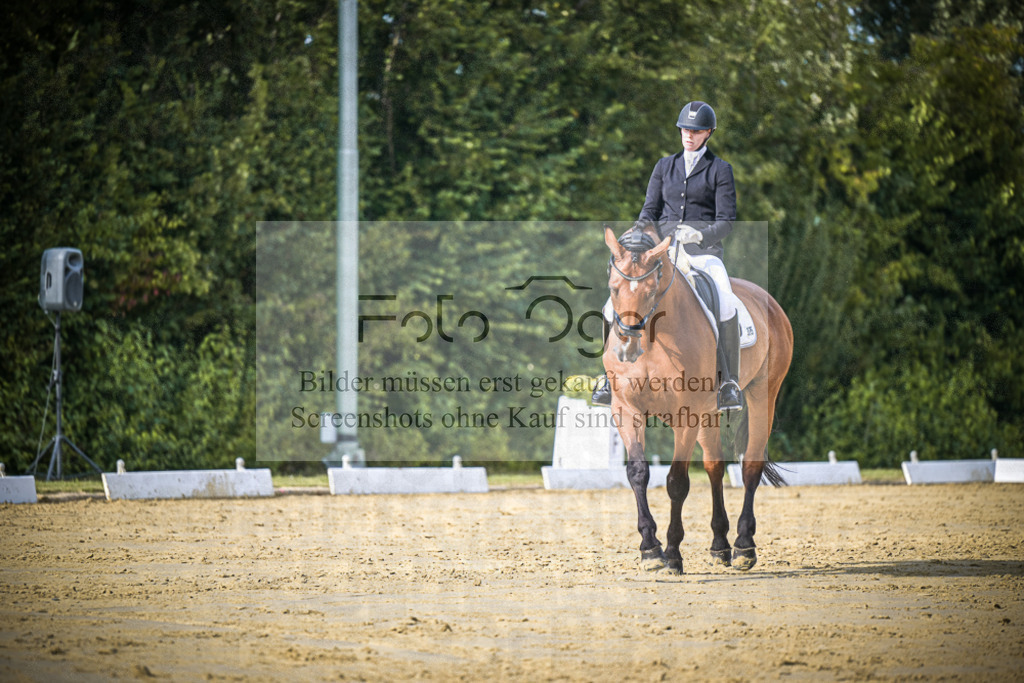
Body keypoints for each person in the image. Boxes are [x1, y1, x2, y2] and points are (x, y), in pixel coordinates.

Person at [593, 100, 743, 412]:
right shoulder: (664, 166)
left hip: (703, 253)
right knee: (612, 304)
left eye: (696, 130)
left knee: (725, 300)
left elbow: (727, 220)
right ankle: (608, 377)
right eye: (685, 129)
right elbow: (650, 210)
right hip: (660, 253)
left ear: (708, 133)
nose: (689, 135)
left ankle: (728, 382)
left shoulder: (720, 170)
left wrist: (700, 234)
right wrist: (637, 234)